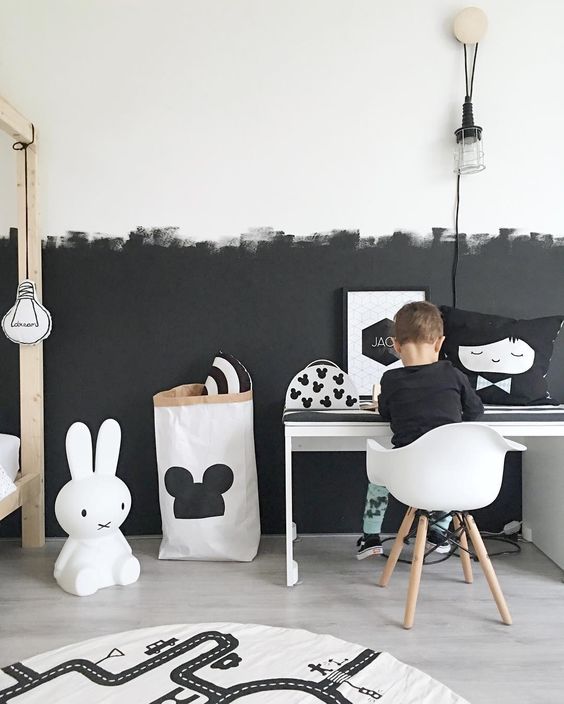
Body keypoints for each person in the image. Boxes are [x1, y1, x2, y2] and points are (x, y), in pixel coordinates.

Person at [357, 300, 484, 559]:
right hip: (452, 477)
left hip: (405, 477)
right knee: (450, 466)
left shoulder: (390, 380)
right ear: (439, 343)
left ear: (395, 346)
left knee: (378, 477)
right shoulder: (455, 376)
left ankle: (371, 536)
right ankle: (438, 532)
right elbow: (475, 412)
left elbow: (386, 414)